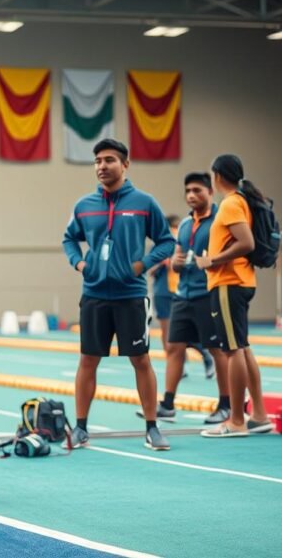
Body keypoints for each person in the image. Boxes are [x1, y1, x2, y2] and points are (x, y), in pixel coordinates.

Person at [62, 138, 175, 451]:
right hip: (94, 294)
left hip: (131, 295)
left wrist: (143, 264)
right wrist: (81, 264)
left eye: (109, 160)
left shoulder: (144, 202)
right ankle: (81, 427)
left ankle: (152, 427)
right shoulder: (84, 206)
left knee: (140, 359)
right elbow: (69, 240)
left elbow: (166, 242)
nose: (102, 166)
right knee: (88, 360)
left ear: (125, 164)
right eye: (98, 160)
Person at [195, 155, 273, 438]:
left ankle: (237, 420)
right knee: (242, 347)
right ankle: (259, 415)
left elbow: (246, 243)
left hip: (229, 282)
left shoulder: (230, 204)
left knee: (232, 350)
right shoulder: (240, 201)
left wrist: (213, 260)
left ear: (217, 176)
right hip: (239, 280)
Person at [159, 173, 230, 424]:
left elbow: (237, 249)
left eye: (197, 190)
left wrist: (212, 260)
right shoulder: (186, 225)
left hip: (208, 294)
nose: (191, 195)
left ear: (210, 191)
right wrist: (176, 263)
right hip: (182, 295)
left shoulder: (221, 220)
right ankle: (167, 404)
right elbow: (178, 261)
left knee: (217, 350)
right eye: (188, 190)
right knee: (175, 348)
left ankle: (225, 404)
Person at [149, 214, 215, 387]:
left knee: (183, 332)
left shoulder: (185, 239)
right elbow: (150, 269)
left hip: (183, 291)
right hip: (163, 291)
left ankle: (206, 355)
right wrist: (162, 263)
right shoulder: (160, 244)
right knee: (168, 333)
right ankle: (181, 364)